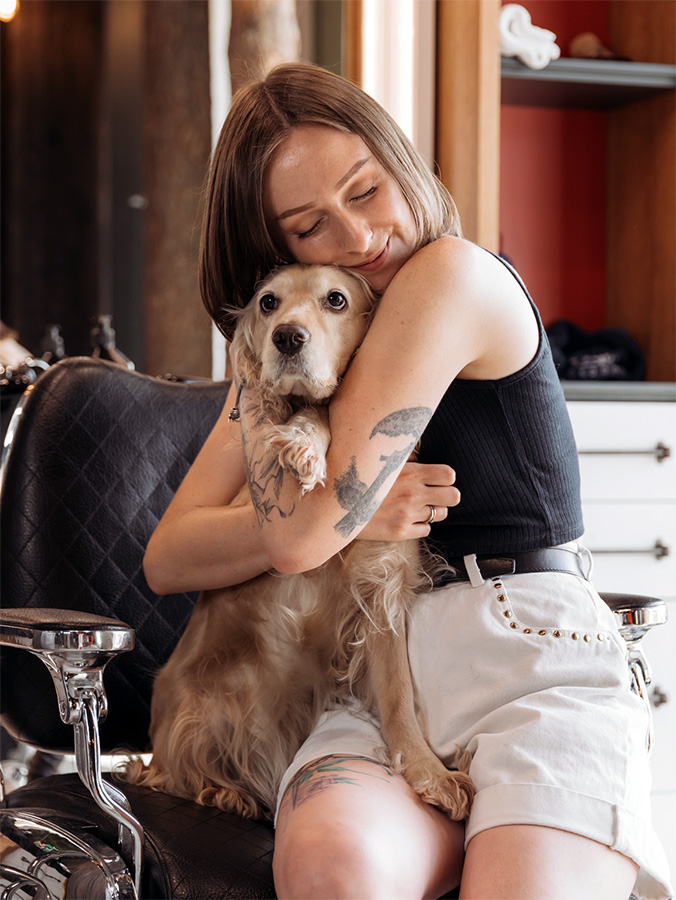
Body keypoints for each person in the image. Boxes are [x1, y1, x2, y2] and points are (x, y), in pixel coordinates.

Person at [143, 63, 671, 900]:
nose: (355, 238)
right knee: (331, 867)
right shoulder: (305, 328)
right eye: (311, 225)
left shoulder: (448, 274)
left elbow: (297, 536)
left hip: (531, 662)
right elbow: (170, 557)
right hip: (378, 677)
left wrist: (333, 513)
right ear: (281, 253)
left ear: (403, 161)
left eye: (365, 189)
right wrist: (360, 507)